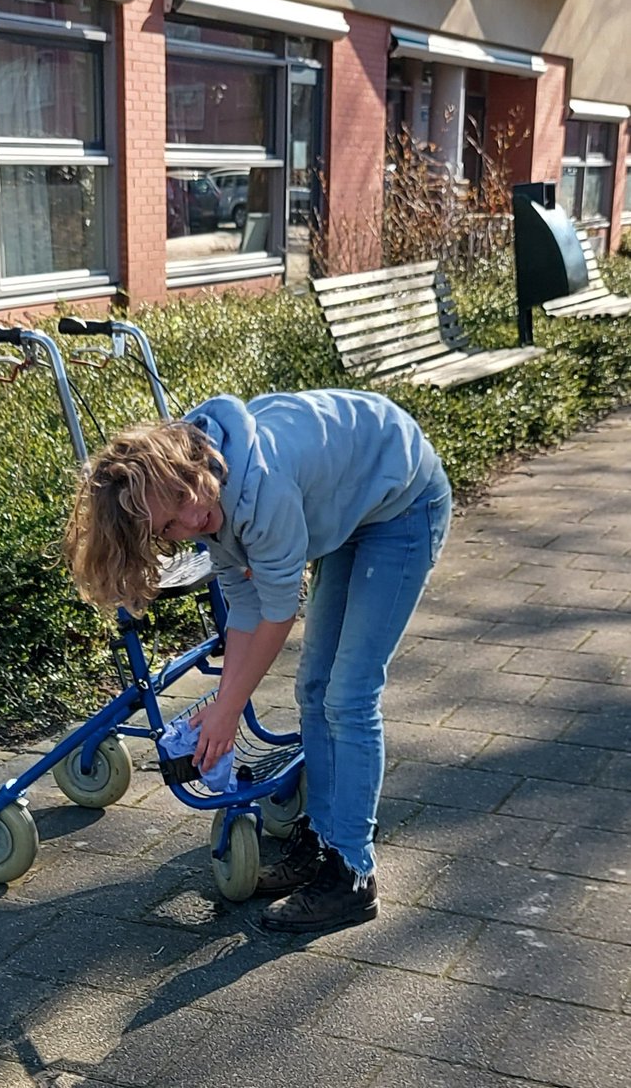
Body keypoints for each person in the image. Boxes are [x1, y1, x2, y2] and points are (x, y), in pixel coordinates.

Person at [64, 389, 451, 934]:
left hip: (403, 503)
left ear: (188, 462)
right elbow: (245, 604)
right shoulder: (208, 499)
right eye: (169, 528)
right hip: (351, 507)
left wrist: (228, 709)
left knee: (350, 695)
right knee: (314, 689)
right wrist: (226, 702)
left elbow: (276, 613)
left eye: (183, 498)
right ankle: (321, 840)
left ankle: (354, 875)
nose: (192, 518)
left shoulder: (259, 487)